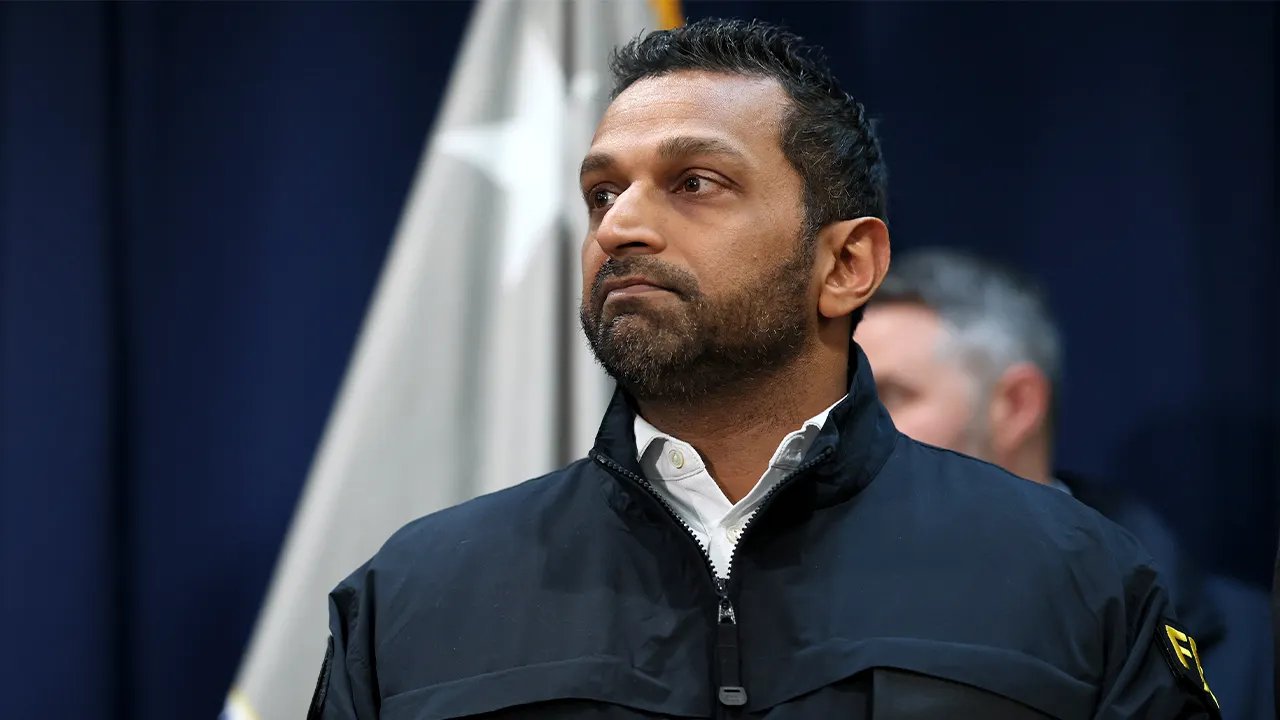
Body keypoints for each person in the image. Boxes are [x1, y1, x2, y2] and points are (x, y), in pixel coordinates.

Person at [311, 20, 1220, 718]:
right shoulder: (413, 595)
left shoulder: (1072, 577)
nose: (620, 226)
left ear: (846, 265)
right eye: (601, 192)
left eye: (695, 182)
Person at [855, 247, 1272, 718]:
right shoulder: (809, 612)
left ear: (1016, 406)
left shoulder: (1250, 647)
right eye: (846, 404)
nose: (850, 429)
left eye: (888, 396)